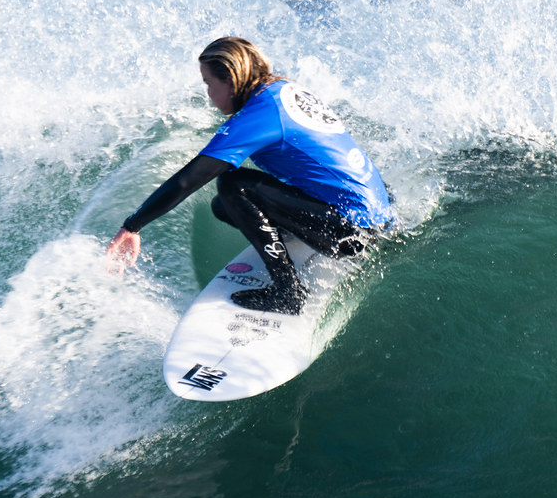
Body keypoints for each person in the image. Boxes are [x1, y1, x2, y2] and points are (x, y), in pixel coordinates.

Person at [105, 37, 394, 315]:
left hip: (350, 231)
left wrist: (133, 226)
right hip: (377, 214)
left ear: (230, 80)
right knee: (223, 205)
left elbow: (188, 179)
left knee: (232, 185)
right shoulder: (282, 90)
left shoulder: (261, 114)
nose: (208, 95)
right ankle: (293, 238)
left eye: (209, 83)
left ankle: (287, 293)